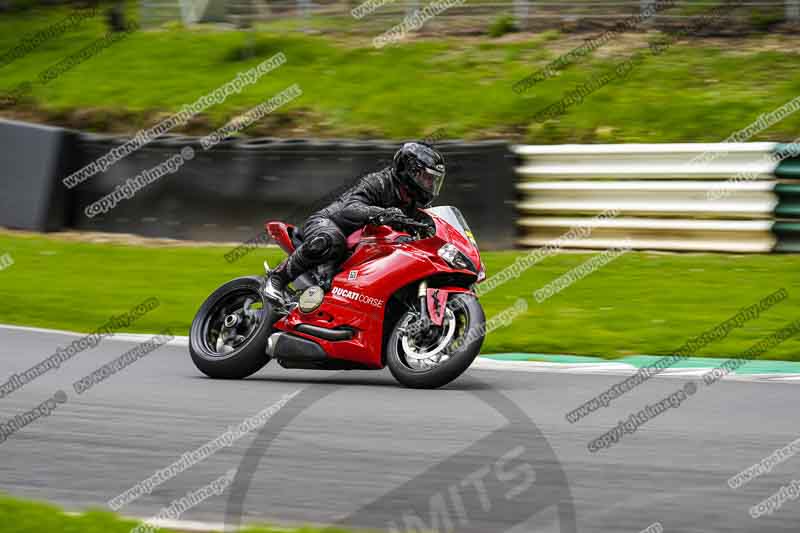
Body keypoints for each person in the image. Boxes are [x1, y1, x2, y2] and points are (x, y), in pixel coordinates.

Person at [263, 141, 446, 304]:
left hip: (364, 247)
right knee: (331, 240)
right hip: (327, 223)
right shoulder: (378, 182)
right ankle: (278, 279)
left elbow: (431, 227)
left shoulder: (415, 204)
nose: (430, 185)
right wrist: (381, 214)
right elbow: (351, 208)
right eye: (427, 178)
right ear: (409, 170)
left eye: (434, 180)